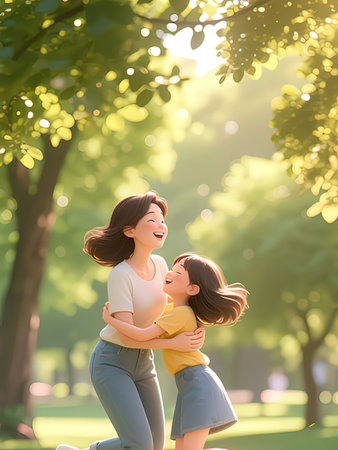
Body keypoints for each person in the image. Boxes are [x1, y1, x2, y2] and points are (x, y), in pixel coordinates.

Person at [56, 192, 204, 450]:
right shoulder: (120, 275)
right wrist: (174, 344)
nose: (161, 225)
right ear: (129, 230)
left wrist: (192, 326)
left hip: (144, 362)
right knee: (139, 445)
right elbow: (126, 335)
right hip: (112, 362)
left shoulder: (160, 265)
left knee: (154, 446)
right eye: (151, 219)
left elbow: (171, 307)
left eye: (161, 219)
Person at [102, 252, 249, 450]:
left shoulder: (180, 313)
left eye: (178, 272)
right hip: (188, 384)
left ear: (192, 288)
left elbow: (142, 335)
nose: (169, 272)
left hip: (197, 384)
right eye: (173, 268)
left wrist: (112, 320)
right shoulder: (174, 310)